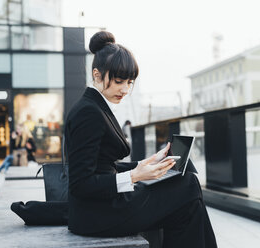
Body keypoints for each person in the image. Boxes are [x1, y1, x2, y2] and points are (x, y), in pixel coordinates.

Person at [64, 31, 217, 248]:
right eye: (118, 81)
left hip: (102, 207)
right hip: (98, 214)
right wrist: (135, 176)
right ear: (97, 75)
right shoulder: (89, 112)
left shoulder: (95, 106)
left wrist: (145, 164)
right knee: (189, 186)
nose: (125, 89)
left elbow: (100, 164)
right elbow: (81, 184)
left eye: (130, 82)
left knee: (186, 200)